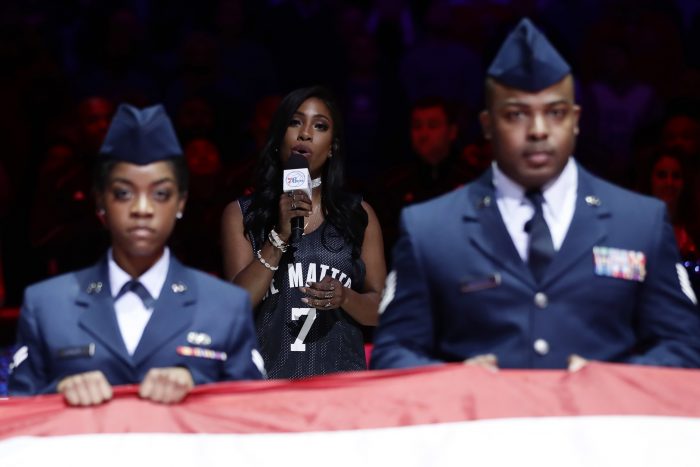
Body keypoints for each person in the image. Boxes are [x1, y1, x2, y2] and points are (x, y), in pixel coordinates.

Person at [370, 18, 700, 371]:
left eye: (554, 113)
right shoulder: (430, 228)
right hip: (479, 423)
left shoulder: (640, 222)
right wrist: (453, 380)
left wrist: (613, 380)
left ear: (575, 119)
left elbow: (684, 346)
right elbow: (392, 352)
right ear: (486, 125)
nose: (539, 130)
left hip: (600, 425)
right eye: (517, 114)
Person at [10, 104, 265, 405]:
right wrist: (58, 394)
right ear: (100, 203)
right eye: (123, 193)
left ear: (181, 202)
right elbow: (16, 424)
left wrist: (200, 388)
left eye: (160, 194)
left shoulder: (224, 305)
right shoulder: (48, 305)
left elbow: (253, 418)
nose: (142, 209)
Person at [221, 85, 386, 379]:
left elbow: (380, 309)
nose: (305, 133)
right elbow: (236, 306)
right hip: (267, 388)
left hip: (340, 388)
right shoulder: (242, 214)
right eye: (295, 122)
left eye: (319, 126)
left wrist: (346, 298)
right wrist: (279, 238)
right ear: (278, 137)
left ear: (333, 145)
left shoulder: (359, 215)